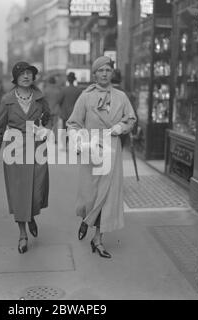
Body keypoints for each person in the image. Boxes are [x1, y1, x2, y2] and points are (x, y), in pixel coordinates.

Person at [66, 56, 137, 259]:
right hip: (91, 150)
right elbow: (73, 123)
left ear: (112, 73)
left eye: (108, 70)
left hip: (112, 150)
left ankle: (97, 238)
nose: (104, 73)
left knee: (107, 195)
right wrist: (79, 140)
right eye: (100, 70)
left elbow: (131, 118)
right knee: (91, 194)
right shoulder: (85, 97)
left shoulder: (121, 97)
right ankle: (87, 218)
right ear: (94, 74)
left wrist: (121, 127)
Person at [0, 61, 51, 254]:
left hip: (37, 150)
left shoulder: (40, 98)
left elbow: (50, 117)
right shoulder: (7, 100)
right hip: (14, 152)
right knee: (18, 195)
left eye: (29, 73)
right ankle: (22, 234)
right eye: (22, 73)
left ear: (33, 77)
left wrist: (45, 129)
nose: (26, 76)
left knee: (37, 191)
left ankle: (31, 216)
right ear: (15, 78)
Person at [57, 72, 82, 148]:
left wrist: (62, 107)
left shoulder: (64, 90)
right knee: (76, 130)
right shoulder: (78, 90)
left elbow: (59, 101)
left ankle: (65, 145)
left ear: (68, 80)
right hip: (75, 114)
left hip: (65, 114)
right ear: (74, 80)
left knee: (64, 129)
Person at [43, 76, 61, 143]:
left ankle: (46, 137)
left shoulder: (46, 90)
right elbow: (60, 100)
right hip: (56, 110)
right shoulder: (58, 90)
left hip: (48, 110)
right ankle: (56, 139)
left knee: (48, 125)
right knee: (55, 125)